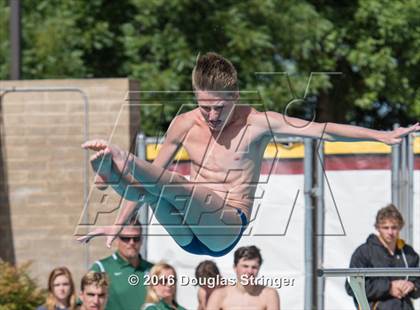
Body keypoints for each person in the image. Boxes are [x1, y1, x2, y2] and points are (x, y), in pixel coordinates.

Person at [79, 52, 420, 257]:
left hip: (225, 227)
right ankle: (113, 169)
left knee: (178, 185)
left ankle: (118, 160)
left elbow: (324, 129)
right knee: (152, 192)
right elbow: (153, 172)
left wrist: (383, 136)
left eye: (219, 108)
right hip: (188, 236)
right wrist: (118, 226)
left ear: (236, 96)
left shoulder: (258, 123)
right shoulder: (183, 124)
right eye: (204, 107)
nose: (211, 116)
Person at [345, 204, 420, 309]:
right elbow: (352, 286)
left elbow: (418, 281)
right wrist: (389, 287)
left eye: (394, 227)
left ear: (400, 227)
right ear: (377, 228)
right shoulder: (364, 252)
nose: (390, 232)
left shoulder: (408, 252)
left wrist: (413, 286)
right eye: (385, 228)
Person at [89, 221, 153, 310]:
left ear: (142, 240)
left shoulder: (153, 270)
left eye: (136, 238)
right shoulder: (101, 268)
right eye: (126, 238)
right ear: (116, 239)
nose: (131, 242)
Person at [207, 245, 280, 309]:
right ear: (235, 267)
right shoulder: (220, 295)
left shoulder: (269, 294)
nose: (249, 271)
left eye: (254, 267)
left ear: (259, 269)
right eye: (245, 266)